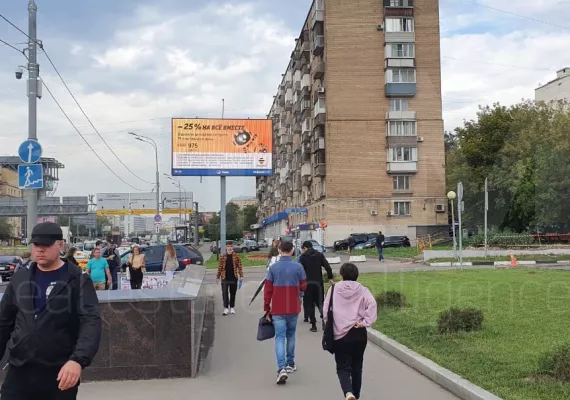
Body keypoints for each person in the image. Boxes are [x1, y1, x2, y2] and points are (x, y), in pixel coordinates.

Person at [0, 222, 101, 400]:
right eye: (36, 245)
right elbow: (4, 322)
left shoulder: (78, 280)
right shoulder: (20, 277)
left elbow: (91, 322)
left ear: (60, 245)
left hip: (59, 373)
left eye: (46, 245)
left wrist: (78, 360)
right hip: (19, 371)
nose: (40, 250)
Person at [323, 263, 377, 400]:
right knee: (357, 367)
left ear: (341, 275)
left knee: (342, 367)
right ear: (356, 276)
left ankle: (348, 392)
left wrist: (328, 324)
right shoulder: (363, 290)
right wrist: (365, 322)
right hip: (358, 332)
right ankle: (356, 395)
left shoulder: (333, 289)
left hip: (340, 334)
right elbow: (372, 305)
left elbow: (326, 310)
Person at [264, 241, 307, 384]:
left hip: (277, 308)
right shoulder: (298, 266)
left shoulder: (273, 268)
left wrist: (266, 309)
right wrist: (298, 294)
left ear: (279, 250)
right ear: (292, 251)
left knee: (280, 337)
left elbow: (268, 290)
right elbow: (304, 286)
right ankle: (290, 364)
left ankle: (281, 368)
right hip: (293, 308)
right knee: (291, 335)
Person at [298, 240, 334, 332]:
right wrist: (330, 277)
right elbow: (327, 266)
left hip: (308, 283)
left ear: (305, 248)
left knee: (310, 304)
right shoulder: (319, 255)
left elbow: (300, 271)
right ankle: (323, 320)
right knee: (320, 303)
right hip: (318, 283)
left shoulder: (302, 257)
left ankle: (313, 325)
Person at [216, 243, 244, 315]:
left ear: (233, 247)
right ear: (226, 247)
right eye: (228, 246)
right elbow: (220, 267)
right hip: (225, 277)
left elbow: (239, 266)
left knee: (233, 293)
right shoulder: (223, 256)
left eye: (231, 246)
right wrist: (217, 277)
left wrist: (241, 276)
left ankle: (232, 307)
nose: (230, 247)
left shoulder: (236, 256)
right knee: (225, 293)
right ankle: (225, 308)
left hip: (233, 277)